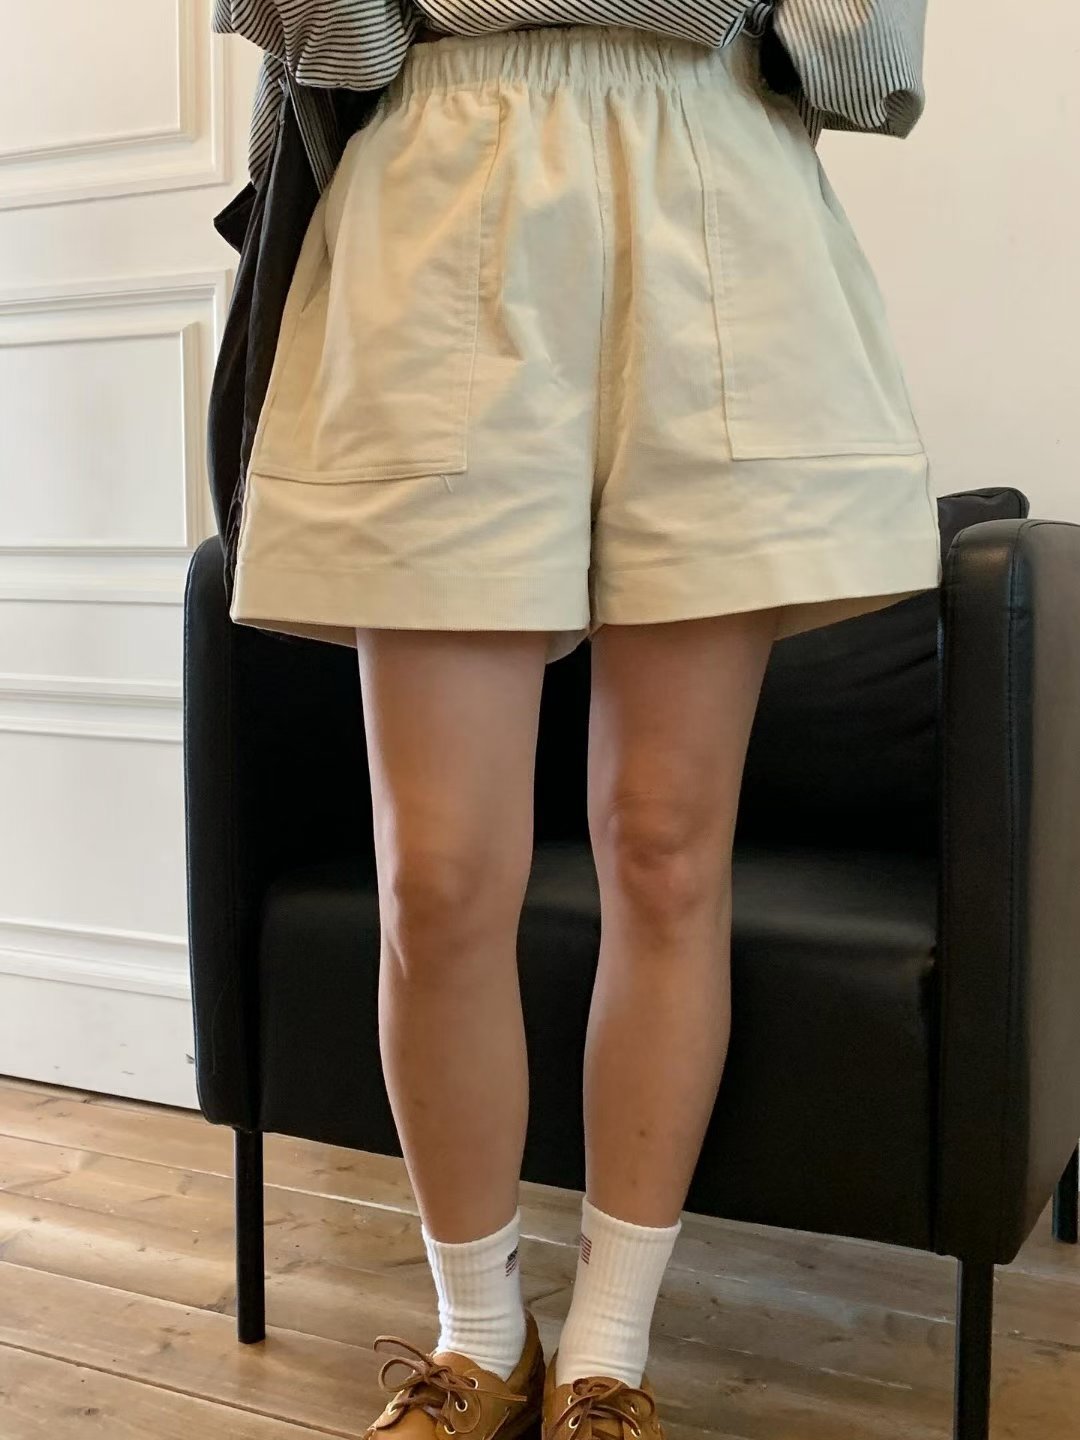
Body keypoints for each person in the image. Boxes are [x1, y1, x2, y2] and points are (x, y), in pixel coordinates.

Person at [215, 3, 940, 1438]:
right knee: (436, 875)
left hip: (717, 158)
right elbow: (327, 35)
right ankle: (479, 1337)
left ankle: (610, 1352)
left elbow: (862, 48)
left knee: (666, 847)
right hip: (439, 159)